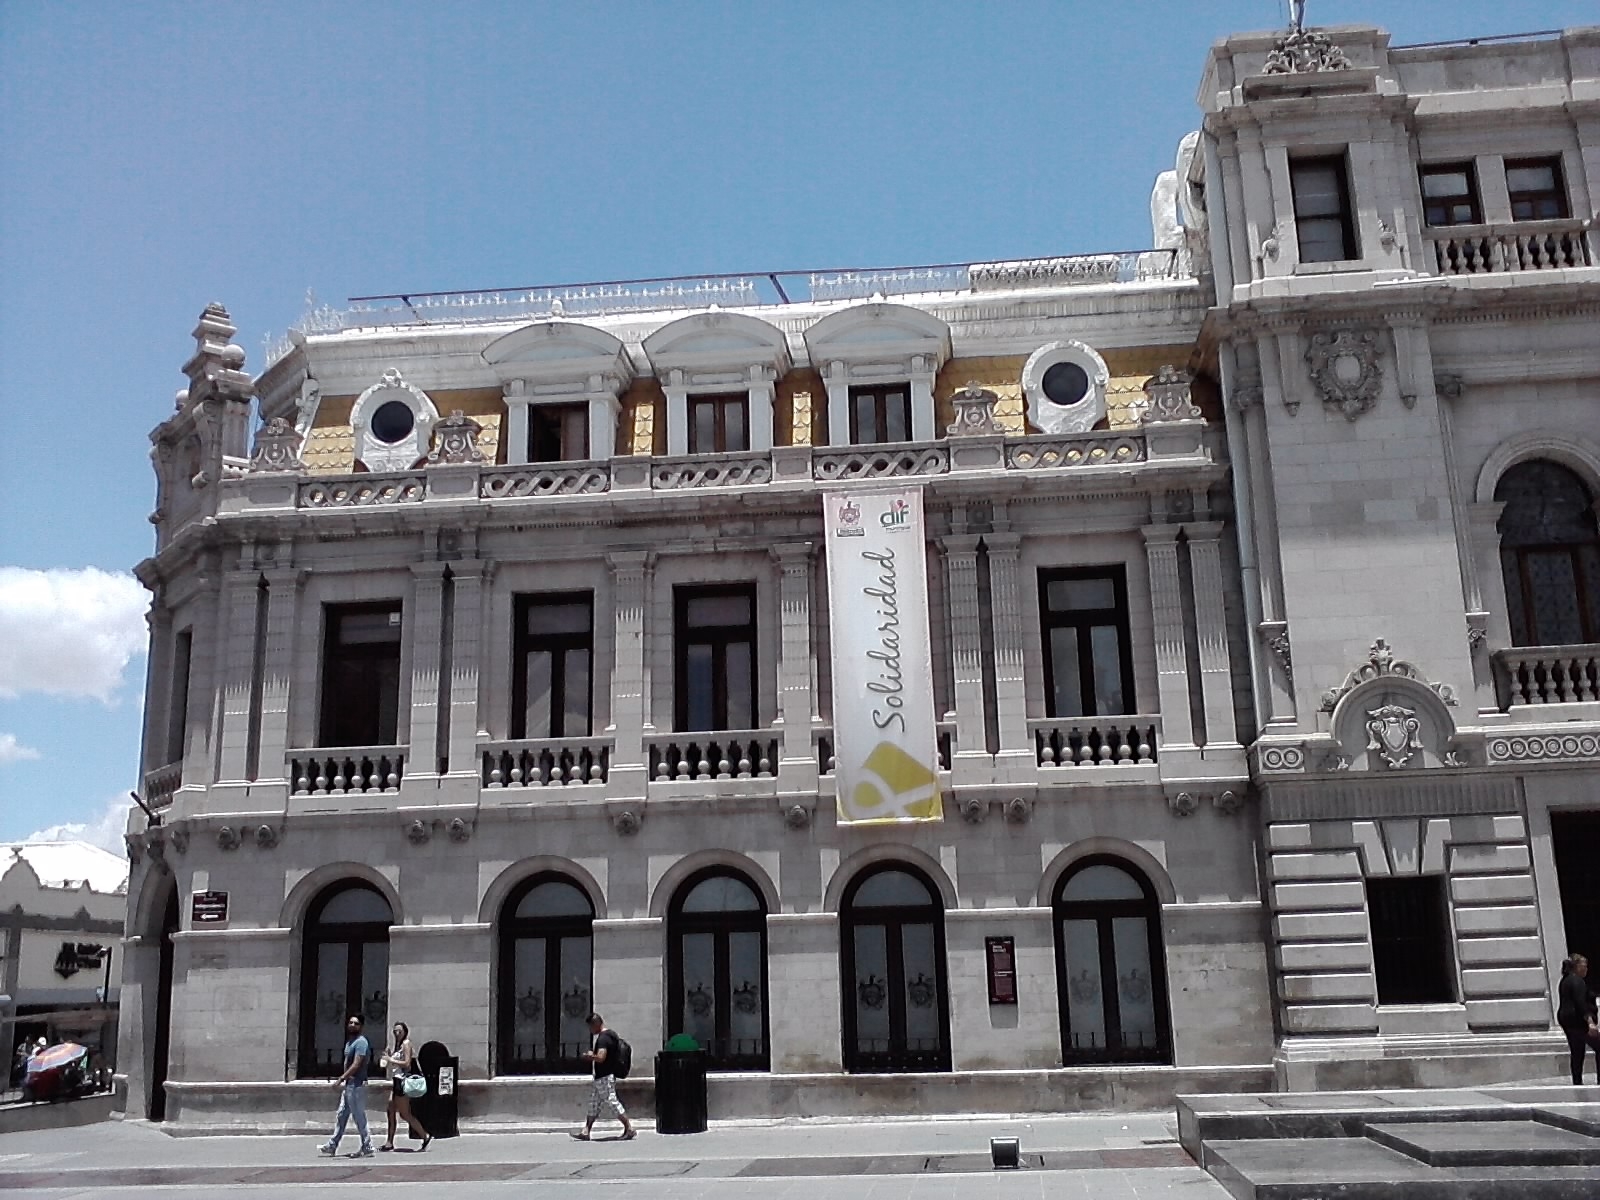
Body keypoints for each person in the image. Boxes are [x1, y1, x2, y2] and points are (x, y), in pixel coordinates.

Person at [318, 1015, 374, 1157]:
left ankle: (367, 1146)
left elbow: (356, 1064)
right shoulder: (350, 1042)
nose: (352, 1025)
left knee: (358, 1116)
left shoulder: (361, 1042)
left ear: (361, 1026)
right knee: (342, 1114)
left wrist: (341, 1078)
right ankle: (332, 1145)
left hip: (357, 1084)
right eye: (350, 1023)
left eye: (356, 1023)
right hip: (350, 1085)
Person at [573, 1012, 634, 1141]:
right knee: (593, 1104)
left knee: (612, 1102)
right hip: (602, 1077)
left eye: (590, 1027)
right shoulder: (612, 1035)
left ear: (595, 1024)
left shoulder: (603, 1039)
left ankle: (629, 1128)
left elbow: (601, 1057)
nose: (590, 1031)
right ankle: (586, 1131)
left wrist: (590, 1056)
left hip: (604, 1077)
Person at [379, 1021, 431, 1152]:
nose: (397, 1033)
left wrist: (391, 1060)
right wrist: (388, 1058)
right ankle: (389, 1142)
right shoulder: (397, 1046)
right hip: (396, 1080)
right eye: (395, 1031)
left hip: (402, 1082)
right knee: (390, 1110)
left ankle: (425, 1135)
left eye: (399, 1031)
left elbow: (407, 1063)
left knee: (405, 1114)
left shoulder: (406, 1044)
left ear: (405, 1032)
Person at [1557, 954, 1600, 1085]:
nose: (1586, 969)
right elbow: (1581, 1003)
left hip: (1567, 1021)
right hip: (1578, 1021)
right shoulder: (1577, 981)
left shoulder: (1565, 980)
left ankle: (1577, 1081)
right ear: (1576, 966)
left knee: (1577, 1051)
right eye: (1584, 966)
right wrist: (1590, 1022)